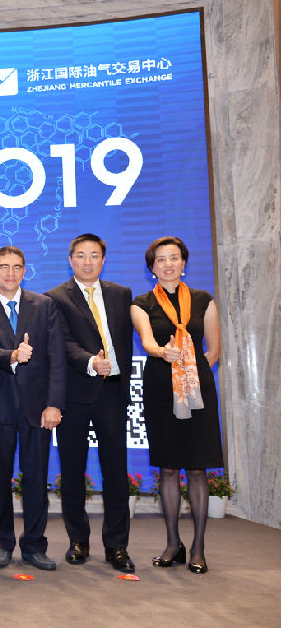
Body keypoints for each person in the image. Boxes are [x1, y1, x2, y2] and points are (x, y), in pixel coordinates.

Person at [130, 236, 222, 574]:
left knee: (197, 469)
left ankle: (198, 547)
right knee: (168, 468)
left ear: (183, 263)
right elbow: (147, 341)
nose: (168, 264)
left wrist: (190, 377)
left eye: (174, 258)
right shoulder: (141, 304)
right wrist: (163, 353)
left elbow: (213, 349)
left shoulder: (203, 300)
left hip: (198, 394)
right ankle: (173, 543)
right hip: (159, 389)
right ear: (151, 267)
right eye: (161, 259)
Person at [45, 234, 136, 573]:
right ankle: (78, 541)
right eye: (81, 255)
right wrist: (90, 361)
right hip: (75, 393)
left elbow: (125, 342)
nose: (87, 262)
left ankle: (117, 545)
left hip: (112, 392)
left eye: (94, 255)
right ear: (71, 260)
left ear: (103, 260)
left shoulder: (121, 294)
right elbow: (61, 343)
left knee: (116, 472)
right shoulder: (55, 298)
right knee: (72, 471)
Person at [0, 246, 65, 571]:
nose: (10, 273)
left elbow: (56, 357)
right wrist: (12, 356)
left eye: (17, 267)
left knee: (36, 478)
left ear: (25, 271)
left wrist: (54, 404)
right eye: (4, 267)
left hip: (37, 408)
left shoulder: (43, 305)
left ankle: (34, 545)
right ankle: (0, 543)